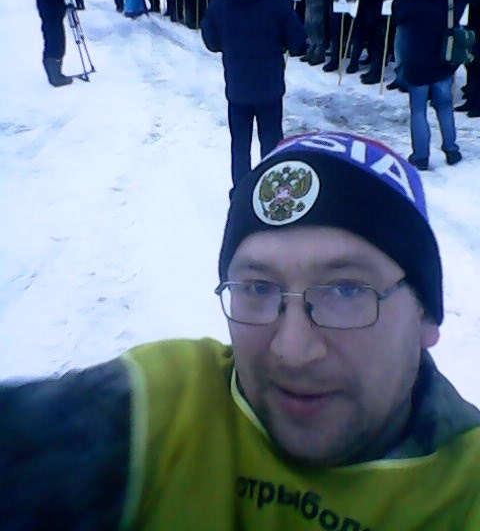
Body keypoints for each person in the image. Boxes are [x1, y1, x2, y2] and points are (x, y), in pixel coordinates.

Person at [2, 131, 480, 530]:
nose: (292, 349)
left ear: (426, 316)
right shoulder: (169, 407)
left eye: (347, 290)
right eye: (258, 288)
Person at [201, 0, 306, 191]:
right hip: (270, 83)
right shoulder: (276, 0)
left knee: (239, 143)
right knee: (271, 141)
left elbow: (211, 42)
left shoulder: (220, 2)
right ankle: (273, 192)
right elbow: (297, 41)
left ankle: (241, 191)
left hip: (237, 82)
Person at [394, 0, 464, 170]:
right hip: (444, 55)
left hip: (417, 55)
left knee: (418, 109)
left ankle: (421, 156)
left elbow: (399, 14)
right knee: (444, 105)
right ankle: (451, 149)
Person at [34, 0, 75, 87]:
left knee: (51, 43)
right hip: (55, 16)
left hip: (46, 16)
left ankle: (55, 74)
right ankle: (55, 77)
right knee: (57, 45)